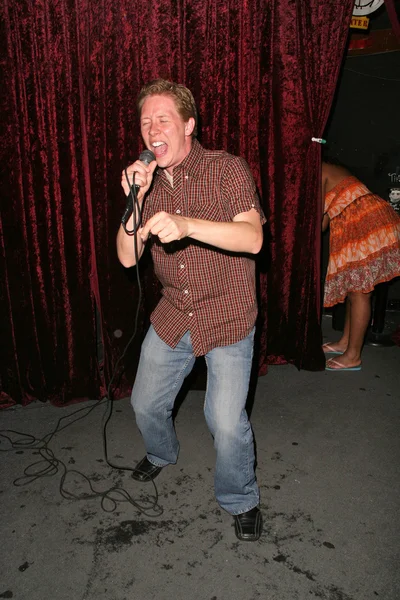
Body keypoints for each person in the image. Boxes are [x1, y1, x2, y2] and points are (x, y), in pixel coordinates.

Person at [116, 79, 266, 541]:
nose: (151, 129)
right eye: (145, 122)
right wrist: (136, 199)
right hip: (175, 310)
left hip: (228, 311)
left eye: (162, 119)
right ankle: (161, 453)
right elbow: (126, 256)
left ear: (189, 125)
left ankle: (240, 497)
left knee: (224, 420)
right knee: (144, 403)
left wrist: (187, 225)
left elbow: (252, 238)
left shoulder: (227, 170)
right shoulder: (148, 182)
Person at [321, 161, 400, 371]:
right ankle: (346, 343)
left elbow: (317, 222)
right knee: (353, 288)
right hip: (358, 222)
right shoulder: (325, 168)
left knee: (359, 292)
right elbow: (324, 219)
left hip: (365, 221)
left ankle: (353, 355)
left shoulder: (318, 171)